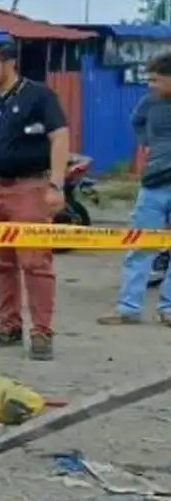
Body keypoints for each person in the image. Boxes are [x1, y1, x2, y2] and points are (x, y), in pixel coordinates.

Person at [0, 40, 70, 360]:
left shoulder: (39, 96)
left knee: (35, 262)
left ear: (10, 63)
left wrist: (55, 185)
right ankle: (8, 326)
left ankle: (41, 332)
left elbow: (60, 138)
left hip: (28, 188)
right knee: (2, 263)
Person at [99, 52, 171, 326]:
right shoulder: (149, 102)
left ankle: (168, 309)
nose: (151, 84)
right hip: (153, 184)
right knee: (140, 245)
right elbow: (136, 122)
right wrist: (148, 144)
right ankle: (128, 308)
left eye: (156, 79)